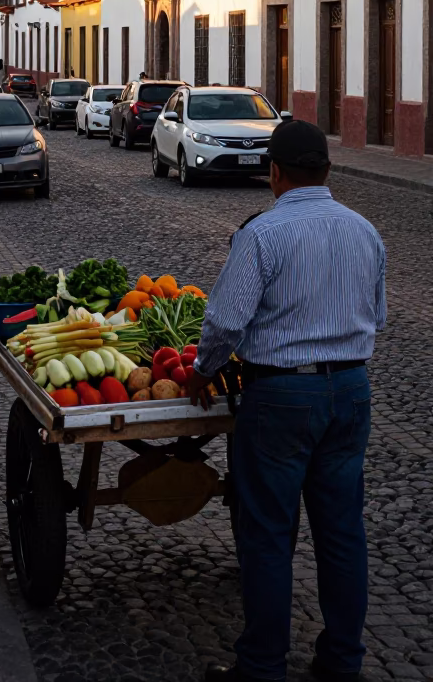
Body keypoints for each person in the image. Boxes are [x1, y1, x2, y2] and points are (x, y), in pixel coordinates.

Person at [191, 120, 386, 682]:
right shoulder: (364, 231)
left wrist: (203, 373)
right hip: (351, 390)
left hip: (280, 394)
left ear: (273, 173)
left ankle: (261, 667)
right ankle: (343, 661)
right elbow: (377, 316)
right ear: (327, 169)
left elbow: (226, 322)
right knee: (343, 531)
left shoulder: (263, 234)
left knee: (270, 535)